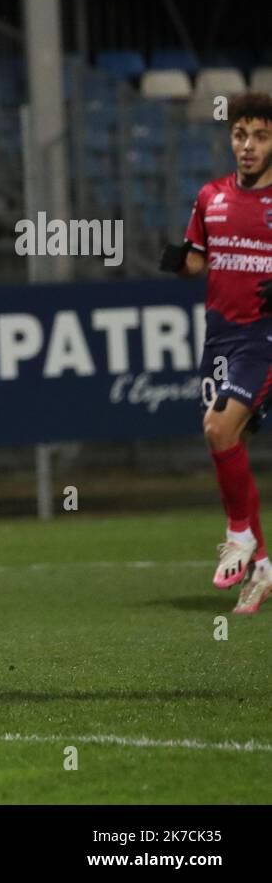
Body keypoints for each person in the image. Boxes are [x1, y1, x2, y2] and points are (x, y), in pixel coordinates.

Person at [160, 91, 272, 614]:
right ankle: (264, 567)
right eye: (239, 135)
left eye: (260, 136)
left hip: (264, 336)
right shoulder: (211, 196)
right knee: (230, 444)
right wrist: (177, 261)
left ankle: (239, 537)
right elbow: (198, 263)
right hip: (222, 336)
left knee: (217, 428)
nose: (247, 146)